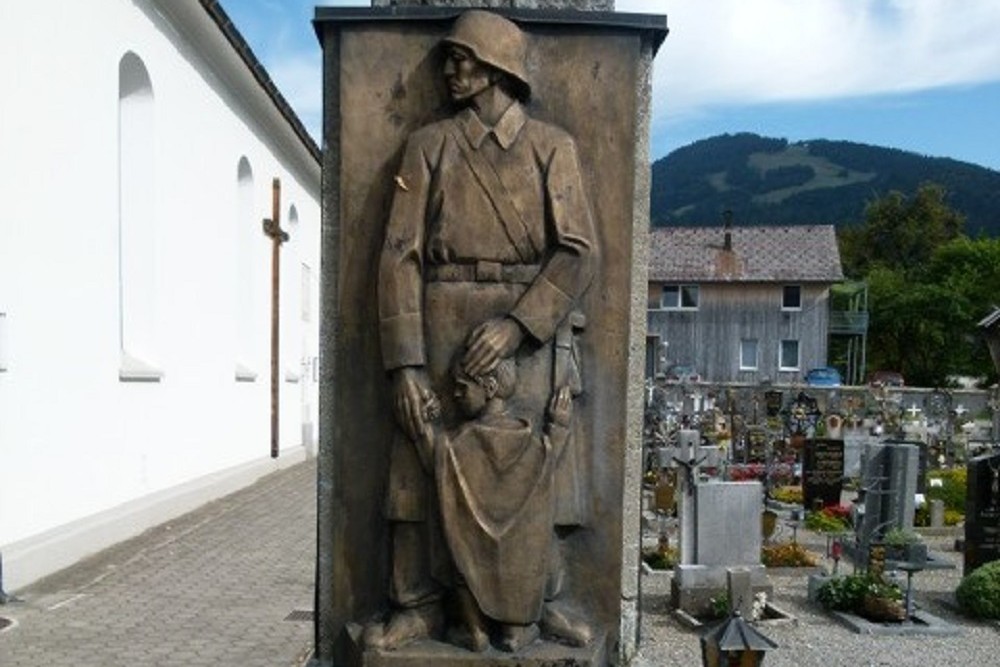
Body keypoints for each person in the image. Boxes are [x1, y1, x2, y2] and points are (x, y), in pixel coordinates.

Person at [369, 9, 597, 650]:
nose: (449, 69)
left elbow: (579, 250)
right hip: (440, 315)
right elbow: (398, 255)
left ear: (498, 65)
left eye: (461, 57)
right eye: (447, 58)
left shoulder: (554, 147)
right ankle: (415, 600)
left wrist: (520, 324)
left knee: (535, 471)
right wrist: (406, 364)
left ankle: (536, 597)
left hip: (528, 330)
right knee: (419, 468)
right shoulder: (430, 146)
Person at [418, 357, 572, 652]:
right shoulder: (533, 442)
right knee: (522, 548)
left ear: (489, 387)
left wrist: (426, 425)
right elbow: (549, 459)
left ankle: (475, 629)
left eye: (462, 387)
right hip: (519, 568)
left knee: (460, 548)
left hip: (470, 564)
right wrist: (560, 426)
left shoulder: (457, 441)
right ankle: (515, 631)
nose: (456, 395)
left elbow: (434, 461)